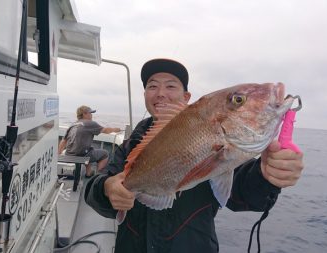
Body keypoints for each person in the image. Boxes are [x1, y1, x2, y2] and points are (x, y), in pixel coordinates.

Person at [84, 59, 305, 253]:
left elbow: (242, 196)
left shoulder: (224, 146)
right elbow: (93, 191)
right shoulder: (133, 143)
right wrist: (107, 189)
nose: (160, 93)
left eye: (170, 85)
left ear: (186, 97)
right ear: (145, 95)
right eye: (152, 86)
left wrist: (266, 177)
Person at [58, 105, 121, 177]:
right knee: (105, 154)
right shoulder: (90, 123)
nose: (91, 115)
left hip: (69, 154)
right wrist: (115, 129)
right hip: (81, 155)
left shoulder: (73, 124)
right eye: (90, 113)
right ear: (84, 114)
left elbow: (63, 141)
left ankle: (89, 173)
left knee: (89, 149)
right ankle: (97, 176)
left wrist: (59, 154)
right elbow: (106, 131)